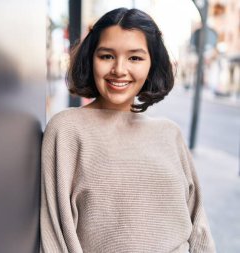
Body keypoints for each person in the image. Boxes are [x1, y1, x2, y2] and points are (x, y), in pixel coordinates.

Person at [40, 8, 216, 253]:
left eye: (135, 58)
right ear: (91, 59)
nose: (119, 69)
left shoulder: (170, 133)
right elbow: (55, 236)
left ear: (152, 64)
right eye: (107, 56)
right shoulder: (66, 130)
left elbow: (199, 228)